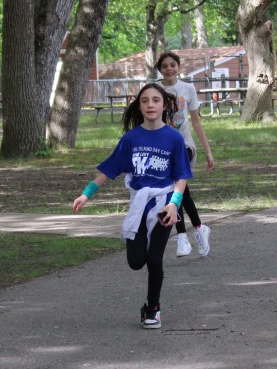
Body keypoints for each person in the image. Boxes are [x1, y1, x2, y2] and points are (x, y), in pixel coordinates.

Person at [72, 83, 192, 329]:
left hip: (164, 204)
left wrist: (174, 204)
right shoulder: (131, 139)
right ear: (139, 106)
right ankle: (144, 253)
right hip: (140, 203)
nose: (150, 105)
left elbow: (182, 176)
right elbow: (110, 169)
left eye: (156, 100)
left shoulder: (174, 138)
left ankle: (153, 309)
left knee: (155, 258)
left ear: (164, 105)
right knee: (136, 261)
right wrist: (86, 194)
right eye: (145, 100)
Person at [155, 51, 214, 258]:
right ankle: (199, 228)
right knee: (180, 191)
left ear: (178, 67)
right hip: (163, 149)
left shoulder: (188, 89)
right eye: (165, 66)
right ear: (160, 69)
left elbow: (196, 121)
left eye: (173, 65)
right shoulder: (154, 88)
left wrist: (208, 152)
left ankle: (181, 236)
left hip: (185, 146)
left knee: (175, 186)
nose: (169, 69)